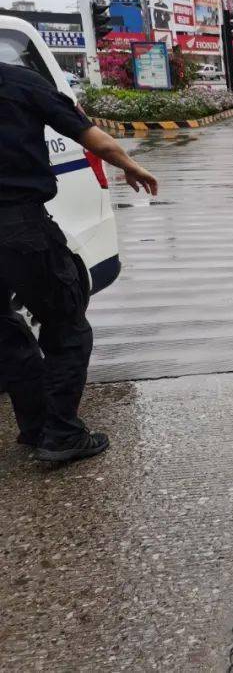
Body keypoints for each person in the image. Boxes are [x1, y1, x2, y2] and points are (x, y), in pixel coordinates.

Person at [0, 61, 158, 462]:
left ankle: (38, 428)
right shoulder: (19, 82)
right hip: (21, 228)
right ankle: (62, 433)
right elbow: (93, 138)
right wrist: (130, 165)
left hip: (18, 230)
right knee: (67, 326)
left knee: (6, 328)